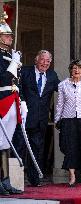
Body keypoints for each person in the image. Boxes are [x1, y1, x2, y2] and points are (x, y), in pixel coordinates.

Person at [55, 59, 81, 187]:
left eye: (79, 68)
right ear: (70, 71)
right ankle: (72, 175)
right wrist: (57, 119)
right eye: (74, 68)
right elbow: (60, 104)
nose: (76, 70)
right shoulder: (63, 85)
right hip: (68, 119)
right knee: (70, 147)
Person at [21, 50, 60, 186]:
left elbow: (63, 88)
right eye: (43, 60)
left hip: (40, 120)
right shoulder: (25, 71)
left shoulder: (52, 75)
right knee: (20, 147)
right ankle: (16, 179)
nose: (45, 63)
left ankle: (34, 179)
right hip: (23, 117)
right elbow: (16, 87)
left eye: (48, 61)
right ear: (36, 59)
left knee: (36, 148)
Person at [0, 12, 27, 195]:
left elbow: (16, 83)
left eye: (10, 36)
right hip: (1, 100)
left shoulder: (10, 56)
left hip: (12, 100)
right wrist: (14, 63)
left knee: (5, 143)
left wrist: (22, 100)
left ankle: (5, 181)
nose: (10, 38)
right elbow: (2, 78)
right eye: (6, 35)